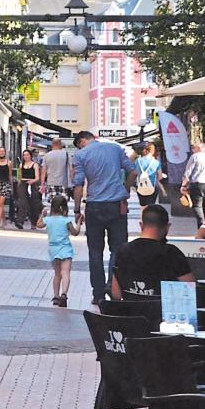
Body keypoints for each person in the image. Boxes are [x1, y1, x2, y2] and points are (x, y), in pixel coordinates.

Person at [72, 129, 138, 307]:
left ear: (82, 142)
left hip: (94, 207)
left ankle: (98, 294)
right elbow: (133, 173)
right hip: (116, 205)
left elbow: (78, 185)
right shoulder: (115, 149)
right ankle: (113, 285)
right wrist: (124, 190)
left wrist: (77, 210)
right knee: (117, 250)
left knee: (95, 253)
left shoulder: (81, 155)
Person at [110, 204, 194, 299]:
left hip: (131, 311)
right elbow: (191, 291)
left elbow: (116, 294)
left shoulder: (123, 250)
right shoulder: (172, 253)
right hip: (162, 312)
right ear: (167, 227)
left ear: (141, 225)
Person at [43, 196, 83, 307]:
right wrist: (79, 223)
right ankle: (64, 294)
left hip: (53, 250)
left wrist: (42, 215)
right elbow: (75, 232)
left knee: (57, 274)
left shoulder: (48, 220)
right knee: (65, 273)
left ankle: (55, 296)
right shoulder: (66, 221)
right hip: (66, 249)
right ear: (64, 208)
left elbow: (38, 224)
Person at [181, 142, 205, 225]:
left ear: (198, 148)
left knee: (197, 206)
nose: (192, 150)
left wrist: (183, 185)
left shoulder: (195, 156)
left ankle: (202, 225)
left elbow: (188, 172)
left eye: (193, 148)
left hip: (198, 185)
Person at [40, 138, 73, 215]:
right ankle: (64, 220)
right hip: (63, 183)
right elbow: (71, 170)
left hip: (51, 183)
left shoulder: (47, 156)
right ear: (60, 144)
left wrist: (42, 185)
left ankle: (53, 220)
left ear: (52, 144)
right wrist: (72, 182)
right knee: (64, 205)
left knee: (53, 204)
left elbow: (43, 171)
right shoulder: (66, 155)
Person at [16, 149, 44, 230]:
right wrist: (19, 183)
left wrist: (32, 181)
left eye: (27, 155)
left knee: (33, 204)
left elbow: (37, 177)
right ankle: (20, 221)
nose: (26, 157)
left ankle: (34, 223)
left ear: (30, 156)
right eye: (24, 155)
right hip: (23, 184)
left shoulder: (35, 165)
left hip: (33, 184)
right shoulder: (21, 165)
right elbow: (20, 176)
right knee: (23, 203)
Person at [133, 142, 165, 210]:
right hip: (152, 187)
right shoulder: (156, 162)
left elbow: (135, 173)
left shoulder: (137, 161)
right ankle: (149, 219)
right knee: (151, 207)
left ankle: (142, 220)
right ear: (152, 151)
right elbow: (160, 177)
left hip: (140, 186)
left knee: (142, 206)